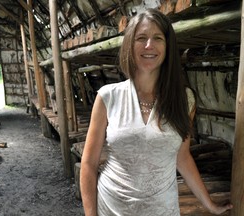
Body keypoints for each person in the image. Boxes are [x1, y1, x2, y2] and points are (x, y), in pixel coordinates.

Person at [80, 8, 233, 216]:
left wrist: (210, 205)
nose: (149, 45)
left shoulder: (184, 99)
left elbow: (182, 156)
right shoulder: (108, 97)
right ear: (129, 46)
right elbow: (88, 164)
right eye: (141, 38)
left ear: (168, 46)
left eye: (157, 38)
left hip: (162, 210)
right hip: (112, 208)